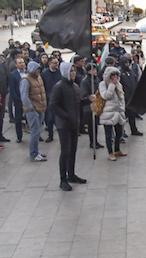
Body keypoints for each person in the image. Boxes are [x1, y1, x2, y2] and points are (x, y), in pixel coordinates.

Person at [50, 62, 92, 191]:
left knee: (73, 150)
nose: (73, 73)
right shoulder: (59, 87)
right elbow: (53, 105)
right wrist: (67, 116)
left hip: (75, 123)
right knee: (65, 151)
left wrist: (88, 99)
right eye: (71, 71)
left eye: (74, 71)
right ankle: (63, 179)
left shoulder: (74, 86)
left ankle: (71, 174)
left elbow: (78, 102)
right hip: (64, 125)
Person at [20, 61, 48, 162]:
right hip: (33, 110)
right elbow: (24, 96)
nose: (38, 71)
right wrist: (31, 107)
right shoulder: (26, 80)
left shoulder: (39, 78)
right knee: (35, 132)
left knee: (37, 131)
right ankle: (34, 154)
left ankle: (36, 151)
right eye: (36, 69)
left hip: (40, 108)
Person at [99, 67, 128, 161]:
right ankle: (110, 152)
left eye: (116, 75)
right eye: (112, 75)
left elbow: (121, 96)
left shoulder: (118, 84)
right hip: (107, 113)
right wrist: (111, 85)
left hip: (118, 112)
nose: (114, 77)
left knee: (119, 133)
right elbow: (106, 96)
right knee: (108, 134)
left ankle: (117, 149)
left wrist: (123, 107)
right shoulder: (103, 84)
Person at [80, 63, 103, 149]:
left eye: (95, 70)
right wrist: (90, 97)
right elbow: (83, 95)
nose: (95, 71)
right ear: (88, 71)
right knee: (91, 125)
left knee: (96, 124)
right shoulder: (85, 81)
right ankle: (92, 142)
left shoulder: (96, 79)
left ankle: (96, 141)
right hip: (89, 106)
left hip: (97, 104)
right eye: (93, 70)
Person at [119, 56, 142, 136]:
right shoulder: (120, 73)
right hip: (124, 98)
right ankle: (122, 131)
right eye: (126, 63)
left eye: (128, 62)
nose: (127, 64)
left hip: (132, 97)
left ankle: (134, 130)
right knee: (123, 116)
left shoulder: (131, 72)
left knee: (132, 115)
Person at [41, 57, 61, 142]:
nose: (57, 64)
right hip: (48, 98)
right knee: (49, 118)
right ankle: (50, 134)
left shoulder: (59, 72)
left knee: (59, 118)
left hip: (58, 98)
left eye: (57, 63)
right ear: (50, 64)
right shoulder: (44, 73)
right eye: (54, 63)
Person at [8, 58, 27, 143]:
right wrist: (18, 101)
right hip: (19, 100)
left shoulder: (28, 73)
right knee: (18, 119)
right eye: (20, 63)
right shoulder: (13, 75)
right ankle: (19, 136)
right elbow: (13, 89)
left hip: (29, 100)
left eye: (22, 62)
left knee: (32, 118)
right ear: (16, 65)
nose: (22, 64)